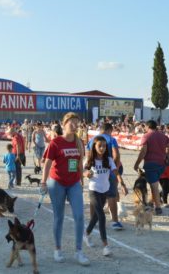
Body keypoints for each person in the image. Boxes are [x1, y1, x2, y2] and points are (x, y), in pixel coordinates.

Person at [41, 112, 90, 266]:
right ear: (64, 124)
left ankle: (79, 251)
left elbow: (80, 163)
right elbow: (47, 163)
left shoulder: (79, 142)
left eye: (77, 123)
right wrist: (43, 182)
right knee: (59, 217)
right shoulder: (56, 142)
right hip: (57, 183)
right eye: (72, 123)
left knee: (79, 216)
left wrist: (81, 181)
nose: (75, 126)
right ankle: (57, 249)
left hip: (74, 183)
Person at [83, 136, 128, 256]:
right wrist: (86, 173)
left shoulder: (108, 160)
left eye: (104, 146)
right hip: (93, 191)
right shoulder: (89, 160)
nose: (102, 148)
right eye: (99, 146)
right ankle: (106, 246)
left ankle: (86, 234)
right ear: (94, 147)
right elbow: (81, 171)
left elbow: (115, 172)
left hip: (104, 191)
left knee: (96, 217)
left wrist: (122, 184)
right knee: (102, 216)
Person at [86, 123, 126, 230]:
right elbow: (116, 155)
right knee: (112, 195)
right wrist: (114, 170)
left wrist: (89, 170)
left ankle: (93, 220)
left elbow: (88, 155)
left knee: (94, 195)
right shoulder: (111, 139)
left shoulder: (92, 140)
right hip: (109, 169)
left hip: (95, 170)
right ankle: (114, 221)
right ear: (109, 130)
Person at [134, 120, 169, 215]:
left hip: (151, 164)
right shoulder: (163, 136)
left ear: (147, 127)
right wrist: (167, 156)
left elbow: (143, 151)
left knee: (154, 186)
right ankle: (151, 202)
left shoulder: (146, 136)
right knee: (154, 183)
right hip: (162, 164)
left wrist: (136, 164)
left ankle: (158, 207)